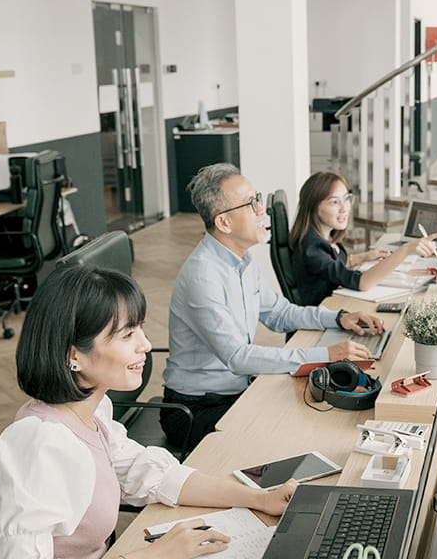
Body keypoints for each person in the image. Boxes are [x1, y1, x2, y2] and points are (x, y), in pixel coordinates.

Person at [0, 264, 299, 559]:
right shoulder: (40, 444)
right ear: (73, 356)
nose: (147, 345)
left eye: (141, 331)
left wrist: (259, 498)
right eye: (128, 335)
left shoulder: (91, 407)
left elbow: (149, 474)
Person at [162, 163, 383, 450]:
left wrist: (339, 318)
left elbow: (280, 314)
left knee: (320, 407)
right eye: (251, 204)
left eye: (259, 199)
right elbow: (238, 357)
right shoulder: (203, 276)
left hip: (234, 392)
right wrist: (325, 354)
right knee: (298, 427)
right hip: (195, 411)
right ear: (224, 223)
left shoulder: (240, 261)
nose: (261, 211)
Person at [288, 171, 437, 306]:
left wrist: (364, 257)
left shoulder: (324, 238)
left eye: (346, 198)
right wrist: (405, 250)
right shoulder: (312, 248)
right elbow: (362, 283)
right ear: (313, 207)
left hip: (334, 307)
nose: (345, 208)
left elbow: (332, 267)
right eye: (334, 202)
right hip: (319, 322)